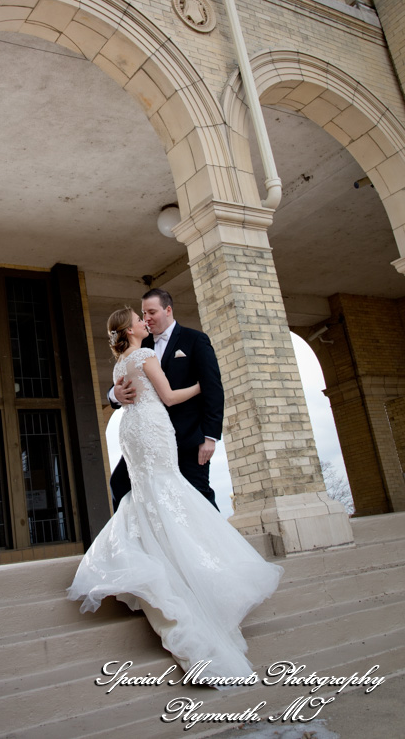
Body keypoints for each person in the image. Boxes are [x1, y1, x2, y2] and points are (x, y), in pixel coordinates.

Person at [68, 307, 283, 678]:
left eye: (148, 313)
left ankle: (159, 545)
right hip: (152, 426)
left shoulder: (123, 361)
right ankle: (188, 565)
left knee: (153, 491)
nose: (144, 320)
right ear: (131, 327)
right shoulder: (146, 353)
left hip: (133, 431)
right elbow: (167, 396)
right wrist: (203, 384)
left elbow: (127, 386)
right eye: (139, 317)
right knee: (165, 488)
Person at [109, 288, 223, 511]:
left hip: (188, 436)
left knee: (198, 496)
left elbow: (214, 389)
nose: (147, 318)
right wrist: (115, 394)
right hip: (150, 437)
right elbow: (119, 383)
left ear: (168, 310)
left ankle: (219, 545)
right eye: (143, 314)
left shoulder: (195, 340)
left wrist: (210, 436)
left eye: (151, 312)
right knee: (119, 484)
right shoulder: (142, 346)